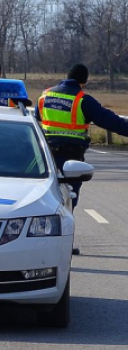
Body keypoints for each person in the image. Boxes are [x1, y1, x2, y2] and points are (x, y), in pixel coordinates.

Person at [35, 63, 128, 254]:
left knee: (44, 196)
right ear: (83, 82)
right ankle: (63, 243)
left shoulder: (45, 96)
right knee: (69, 197)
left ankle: (40, 240)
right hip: (71, 158)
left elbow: (37, 117)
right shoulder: (82, 100)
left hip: (46, 155)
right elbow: (110, 121)